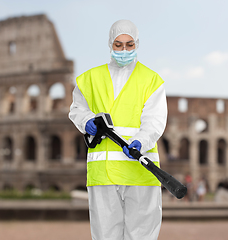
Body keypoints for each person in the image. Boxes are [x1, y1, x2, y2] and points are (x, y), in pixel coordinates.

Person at [69, 20, 167, 240]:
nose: (124, 50)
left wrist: (141, 140)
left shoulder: (151, 80)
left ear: (137, 44)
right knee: (105, 234)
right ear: (110, 44)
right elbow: (76, 108)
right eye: (119, 44)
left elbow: (155, 120)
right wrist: (86, 122)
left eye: (129, 45)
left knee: (141, 233)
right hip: (103, 172)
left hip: (140, 170)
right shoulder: (89, 79)